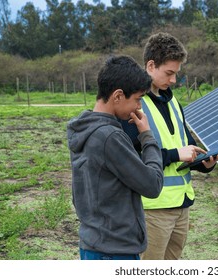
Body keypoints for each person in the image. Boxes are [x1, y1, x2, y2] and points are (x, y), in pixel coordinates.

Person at [119, 32, 218, 260]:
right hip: (153, 209)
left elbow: (186, 147)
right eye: (169, 73)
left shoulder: (173, 101)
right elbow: (129, 159)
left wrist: (204, 163)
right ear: (151, 66)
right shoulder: (133, 104)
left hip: (182, 205)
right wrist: (177, 154)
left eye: (176, 74)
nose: (173, 80)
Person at [66, 55, 163, 260]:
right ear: (118, 96)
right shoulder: (110, 137)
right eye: (137, 99)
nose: (138, 107)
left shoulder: (84, 129)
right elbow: (152, 185)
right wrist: (147, 136)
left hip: (93, 243)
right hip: (114, 251)